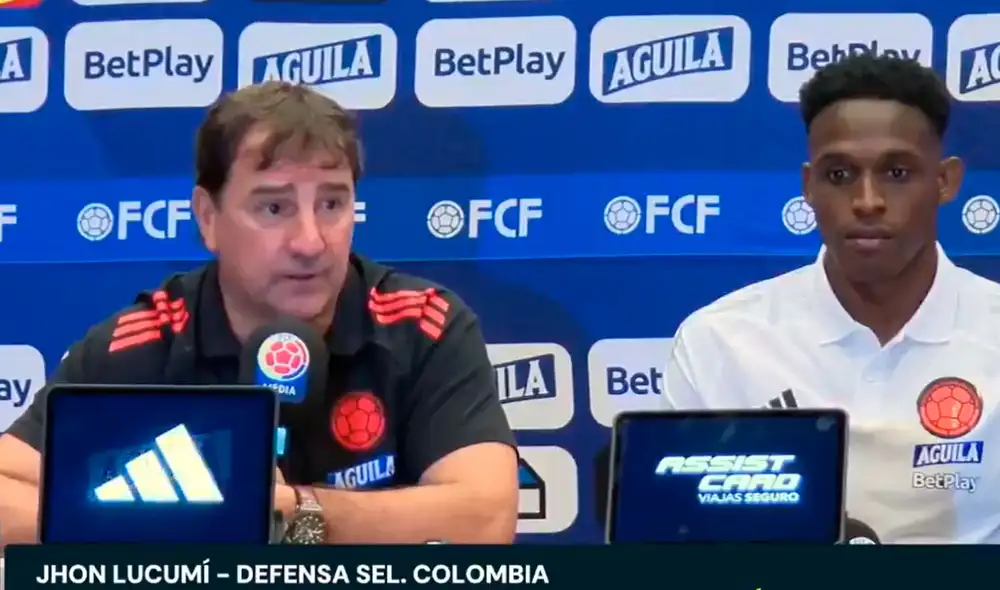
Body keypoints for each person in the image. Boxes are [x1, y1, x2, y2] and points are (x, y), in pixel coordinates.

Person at [0, 82, 518, 545]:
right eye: (274, 208)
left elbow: (486, 517)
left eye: (333, 205)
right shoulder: (142, 344)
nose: (311, 242)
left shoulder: (422, 323)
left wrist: (297, 513)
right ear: (208, 218)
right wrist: (174, 517)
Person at [663, 54, 1000, 543]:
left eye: (898, 173)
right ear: (808, 185)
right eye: (839, 175)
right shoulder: (719, 343)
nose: (867, 201)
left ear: (945, 181)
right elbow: (681, 546)